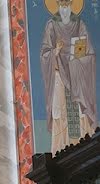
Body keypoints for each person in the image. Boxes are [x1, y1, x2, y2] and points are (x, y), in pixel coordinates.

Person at [40, 0, 97, 154]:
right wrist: (55, 52)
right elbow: (45, 54)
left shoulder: (80, 25)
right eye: (61, 6)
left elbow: (89, 52)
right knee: (60, 111)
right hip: (59, 77)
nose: (64, 10)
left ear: (72, 5)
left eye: (67, 6)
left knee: (78, 112)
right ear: (57, 6)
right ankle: (60, 150)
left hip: (76, 76)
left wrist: (79, 58)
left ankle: (84, 150)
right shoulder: (51, 25)